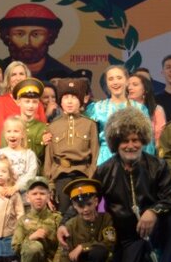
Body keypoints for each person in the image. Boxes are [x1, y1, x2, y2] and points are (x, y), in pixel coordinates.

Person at [65, 108, 171, 262]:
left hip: (154, 229)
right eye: (125, 141)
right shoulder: (105, 170)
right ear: (116, 143)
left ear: (143, 140)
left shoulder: (157, 165)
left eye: (135, 140)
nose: (131, 146)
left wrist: (153, 212)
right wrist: (64, 223)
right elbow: (87, 197)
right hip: (126, 236)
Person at [40, 178, 113, 262]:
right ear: (74, 206)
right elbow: (64, 257)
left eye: (89, 204)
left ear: (96, 201)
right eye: (80, 206)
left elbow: (109, 243)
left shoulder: (106, 218)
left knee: (98, 251)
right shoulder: (70, 225)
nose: (85, 209)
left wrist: (83, 247)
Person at [43, 78, 99, 208]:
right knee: (63, 212)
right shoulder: (53, 126)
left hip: (83, 175)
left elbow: (95, 154)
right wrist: (50, 183)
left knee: (84, 210)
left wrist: (91, 177)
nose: (69, 101)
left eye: (74, 97)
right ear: (60, 101)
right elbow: (49, 158)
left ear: (81, 100)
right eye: (65, 97)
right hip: (60, 174)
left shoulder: (89, 124)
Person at [86, 65, 152, 166]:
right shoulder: (96, 108)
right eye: (111, 79)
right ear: (106, 83)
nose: (115, 82)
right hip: (105, 159)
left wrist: (147, 165)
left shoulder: (139, 108)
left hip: (133, 159)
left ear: (127, 81)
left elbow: (148, 142)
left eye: (119, 78)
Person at [0, 2, 74, 80]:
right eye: (19, 34)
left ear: (49, 37)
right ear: (7, 36)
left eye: (36, 34)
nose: (27, 42)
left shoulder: (65, 76)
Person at [14, 177, 61, 262]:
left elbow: (63, 247)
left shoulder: (57, 219)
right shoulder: (22, 220)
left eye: (42, 193)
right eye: (34, 194)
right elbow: (16, 247)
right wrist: (30, 238)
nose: (38, 197)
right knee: (34, 247)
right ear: (27, 197)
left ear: (49, 196)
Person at [0, 116, 40, 196]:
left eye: (16, 131)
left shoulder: (29, 154)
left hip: (22, 198)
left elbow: (30, 176)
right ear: (4, 134)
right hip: (0, 197)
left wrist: (15, 188)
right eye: (9, 131)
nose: (12, 135)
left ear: (23, 134)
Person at [0, 60, 45, 141]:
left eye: (21, 74)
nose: (18, 78)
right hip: (10, 147)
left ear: (27, 77)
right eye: (14, 75)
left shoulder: (36, 102)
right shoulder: (1, 101)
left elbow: (44, 129)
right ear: (8, 79)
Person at [12, 78, 52, 159]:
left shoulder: (44, 128)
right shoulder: (11, 127)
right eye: (27, 101)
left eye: (34, 102)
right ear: (18, 102)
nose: (31, 106)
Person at [128, 71, 167, 143]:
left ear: (145, 89)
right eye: (128, 85)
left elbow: (160, 138)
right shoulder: (122, 109)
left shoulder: (157, 110)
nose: (130, 88)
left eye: (135, 85)